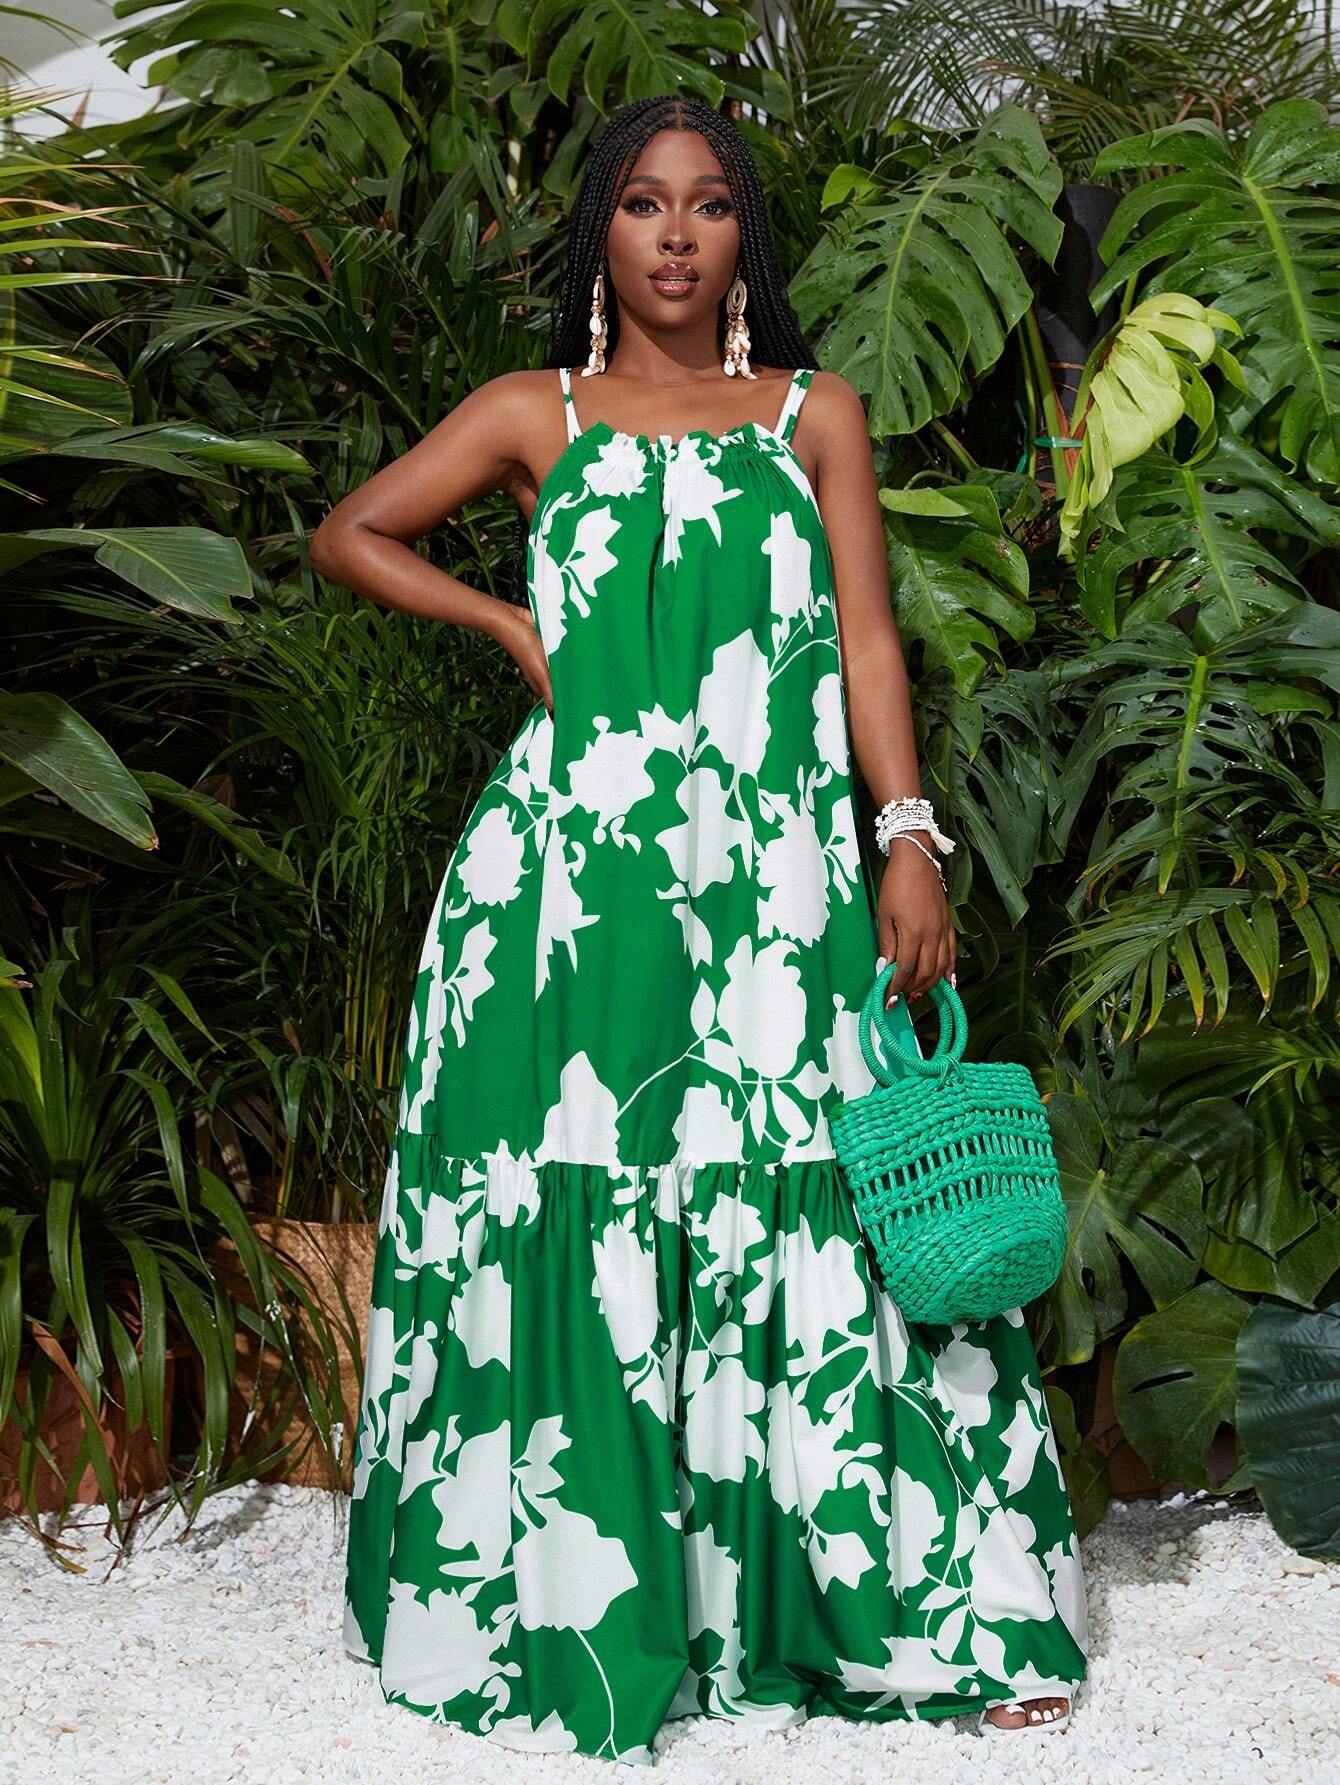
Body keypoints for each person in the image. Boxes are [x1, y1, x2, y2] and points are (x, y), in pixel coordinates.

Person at [310, 91, 1088, 1767]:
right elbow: (350, 532)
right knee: (585, 1199)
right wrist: (512, 624)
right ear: (600, 228)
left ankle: (872, 1607)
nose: (675, 232)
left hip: (780, 884)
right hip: (566, 892)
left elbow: (871, 646)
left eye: (711, 204)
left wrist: (907, 837)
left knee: (812, 1200)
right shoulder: (540, 411)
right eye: (645, 203)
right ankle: (571, 1605)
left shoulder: (816, 413)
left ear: (746, 236)